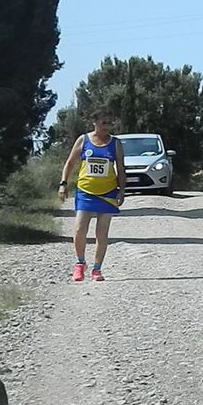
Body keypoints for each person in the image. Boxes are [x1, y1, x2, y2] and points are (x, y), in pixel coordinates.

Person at [59, 106, 126, 282]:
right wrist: (63, 184)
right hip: (85, 191)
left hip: (108, 193)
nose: (107, 127)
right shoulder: (83, 140)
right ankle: (80, 264)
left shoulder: (115, 143)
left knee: (102, 233)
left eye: (110, 124)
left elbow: (120, 168)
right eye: (103, 123)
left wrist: (122, 190)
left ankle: (97, 269)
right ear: (94, 122)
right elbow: (70, 163)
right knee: (80, 229)